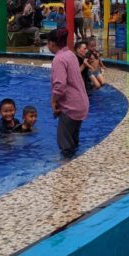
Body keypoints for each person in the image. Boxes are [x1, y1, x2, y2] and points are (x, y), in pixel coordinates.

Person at [48, 28, 90, 158]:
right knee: (73, 140)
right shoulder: (70, 54)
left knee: (65, 144)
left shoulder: (59, 59)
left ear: (51, 44)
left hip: (71, 106)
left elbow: (60, 86)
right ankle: (75, 162)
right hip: (81, 103)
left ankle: (67, 168)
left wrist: (54, 101)